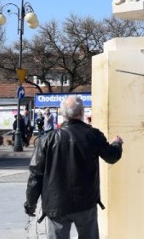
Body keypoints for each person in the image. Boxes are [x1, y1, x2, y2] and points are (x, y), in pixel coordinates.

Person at [24, 95, 123, 239]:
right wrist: (117, 143)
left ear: (62, 113)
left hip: (56, 204)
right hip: (85, 201)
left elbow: (35, 175)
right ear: (82, 112)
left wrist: (30, 203)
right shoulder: (92, 135)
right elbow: (112, 156)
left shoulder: (46, 140)